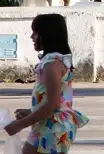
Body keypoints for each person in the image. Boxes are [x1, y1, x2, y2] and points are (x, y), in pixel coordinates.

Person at [4, 14, 88, 153]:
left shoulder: (52, 64)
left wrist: (20, 124)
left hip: (54, 128)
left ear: (48, 35)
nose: (32, 37)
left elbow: (53, 104)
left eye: (36, 32)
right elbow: (54, 101)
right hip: (46, 124)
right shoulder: (50, 62)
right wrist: (32, 112)